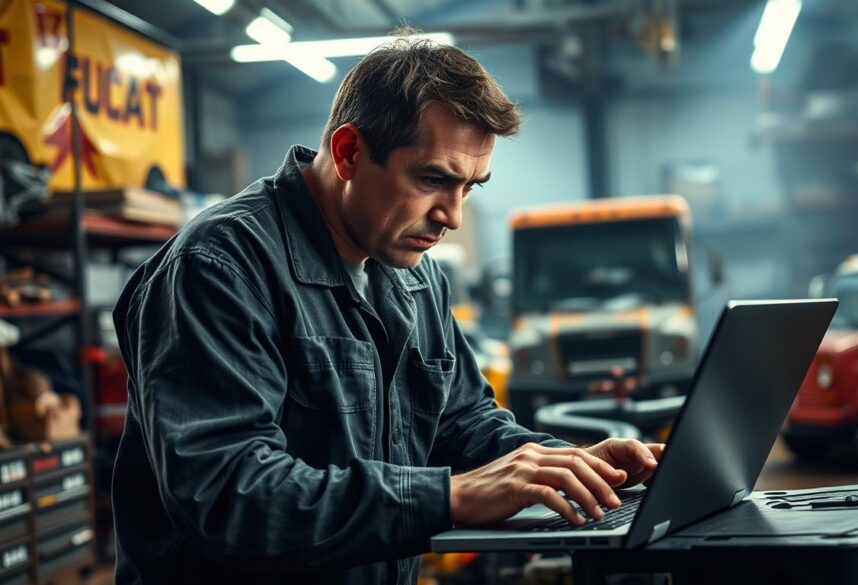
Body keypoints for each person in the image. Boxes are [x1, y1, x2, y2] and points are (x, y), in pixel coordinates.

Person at [111, 34, 662, 585]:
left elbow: (461, 422)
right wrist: (450, 496)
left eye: (470, 187)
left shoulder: (415, 275)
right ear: (349, 152)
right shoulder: (219, 267)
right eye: (433, 179)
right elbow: (228, 496)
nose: (453, 216)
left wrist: (571, 465)